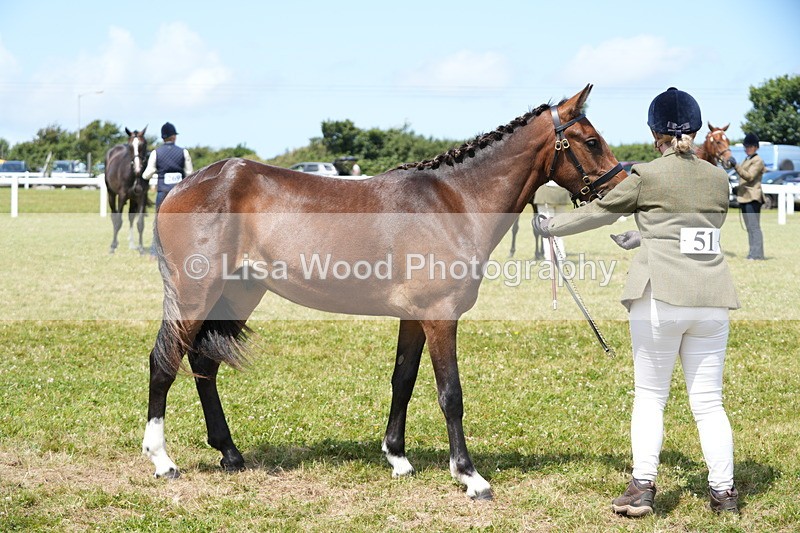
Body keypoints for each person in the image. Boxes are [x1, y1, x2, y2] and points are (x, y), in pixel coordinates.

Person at [535, 87, 740, 516]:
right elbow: (695, 227)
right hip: (713, 300)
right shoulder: (719, 178)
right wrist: (647, 235)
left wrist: (551, 226)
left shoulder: (646, 175)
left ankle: (642, 486)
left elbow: (602, 211)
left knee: (650, 396)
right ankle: (724, 494)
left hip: (661, 297)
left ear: (654, 133)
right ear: (698, 130)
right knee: (709, 402)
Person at [144, 122, 193, 256]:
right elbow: (189, 173)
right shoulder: (183, 152)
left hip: (163, 192)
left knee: (159, 223)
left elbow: (147, 173)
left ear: (163, 138)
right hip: (180, 194)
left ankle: (155, 252)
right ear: (173, 137)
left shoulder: (156, 153)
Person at [728, 133, 765, 260]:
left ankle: (757, 254)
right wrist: (737, 188)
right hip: (744, 197)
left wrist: (735, 165)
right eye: (746, 146)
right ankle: (753, 252)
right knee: (749, 227)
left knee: (754, 226)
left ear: (756, 147)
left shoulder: (758, 160)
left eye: (750, 146)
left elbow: (749, 176)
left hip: (753, 197)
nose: (747, 149)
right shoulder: (747, 159)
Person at [532, 181, 572, 260]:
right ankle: (561, 257)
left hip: (545, 193)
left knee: (546, 230)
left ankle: (550, 258)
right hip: (561, 192)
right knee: (559, 229)